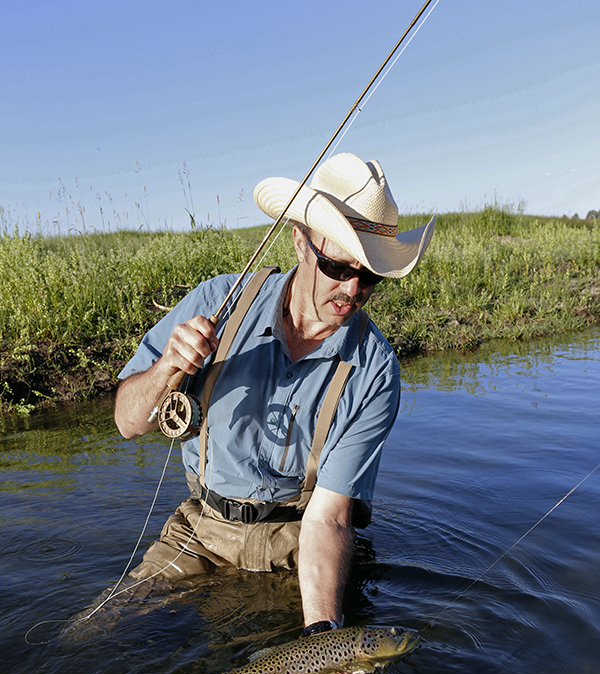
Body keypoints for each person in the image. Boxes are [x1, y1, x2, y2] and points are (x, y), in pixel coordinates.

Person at [114, 152, 435, 637]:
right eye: (337, 266)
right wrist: (164, 370)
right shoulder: (216, 302)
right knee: (96, 631)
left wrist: (322, 632)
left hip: (297, 546)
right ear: (301, 242)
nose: (352, 289)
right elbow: (126, 422)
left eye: (369, 275)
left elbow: (328, 520)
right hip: (199, 534)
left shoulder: (374, 371)